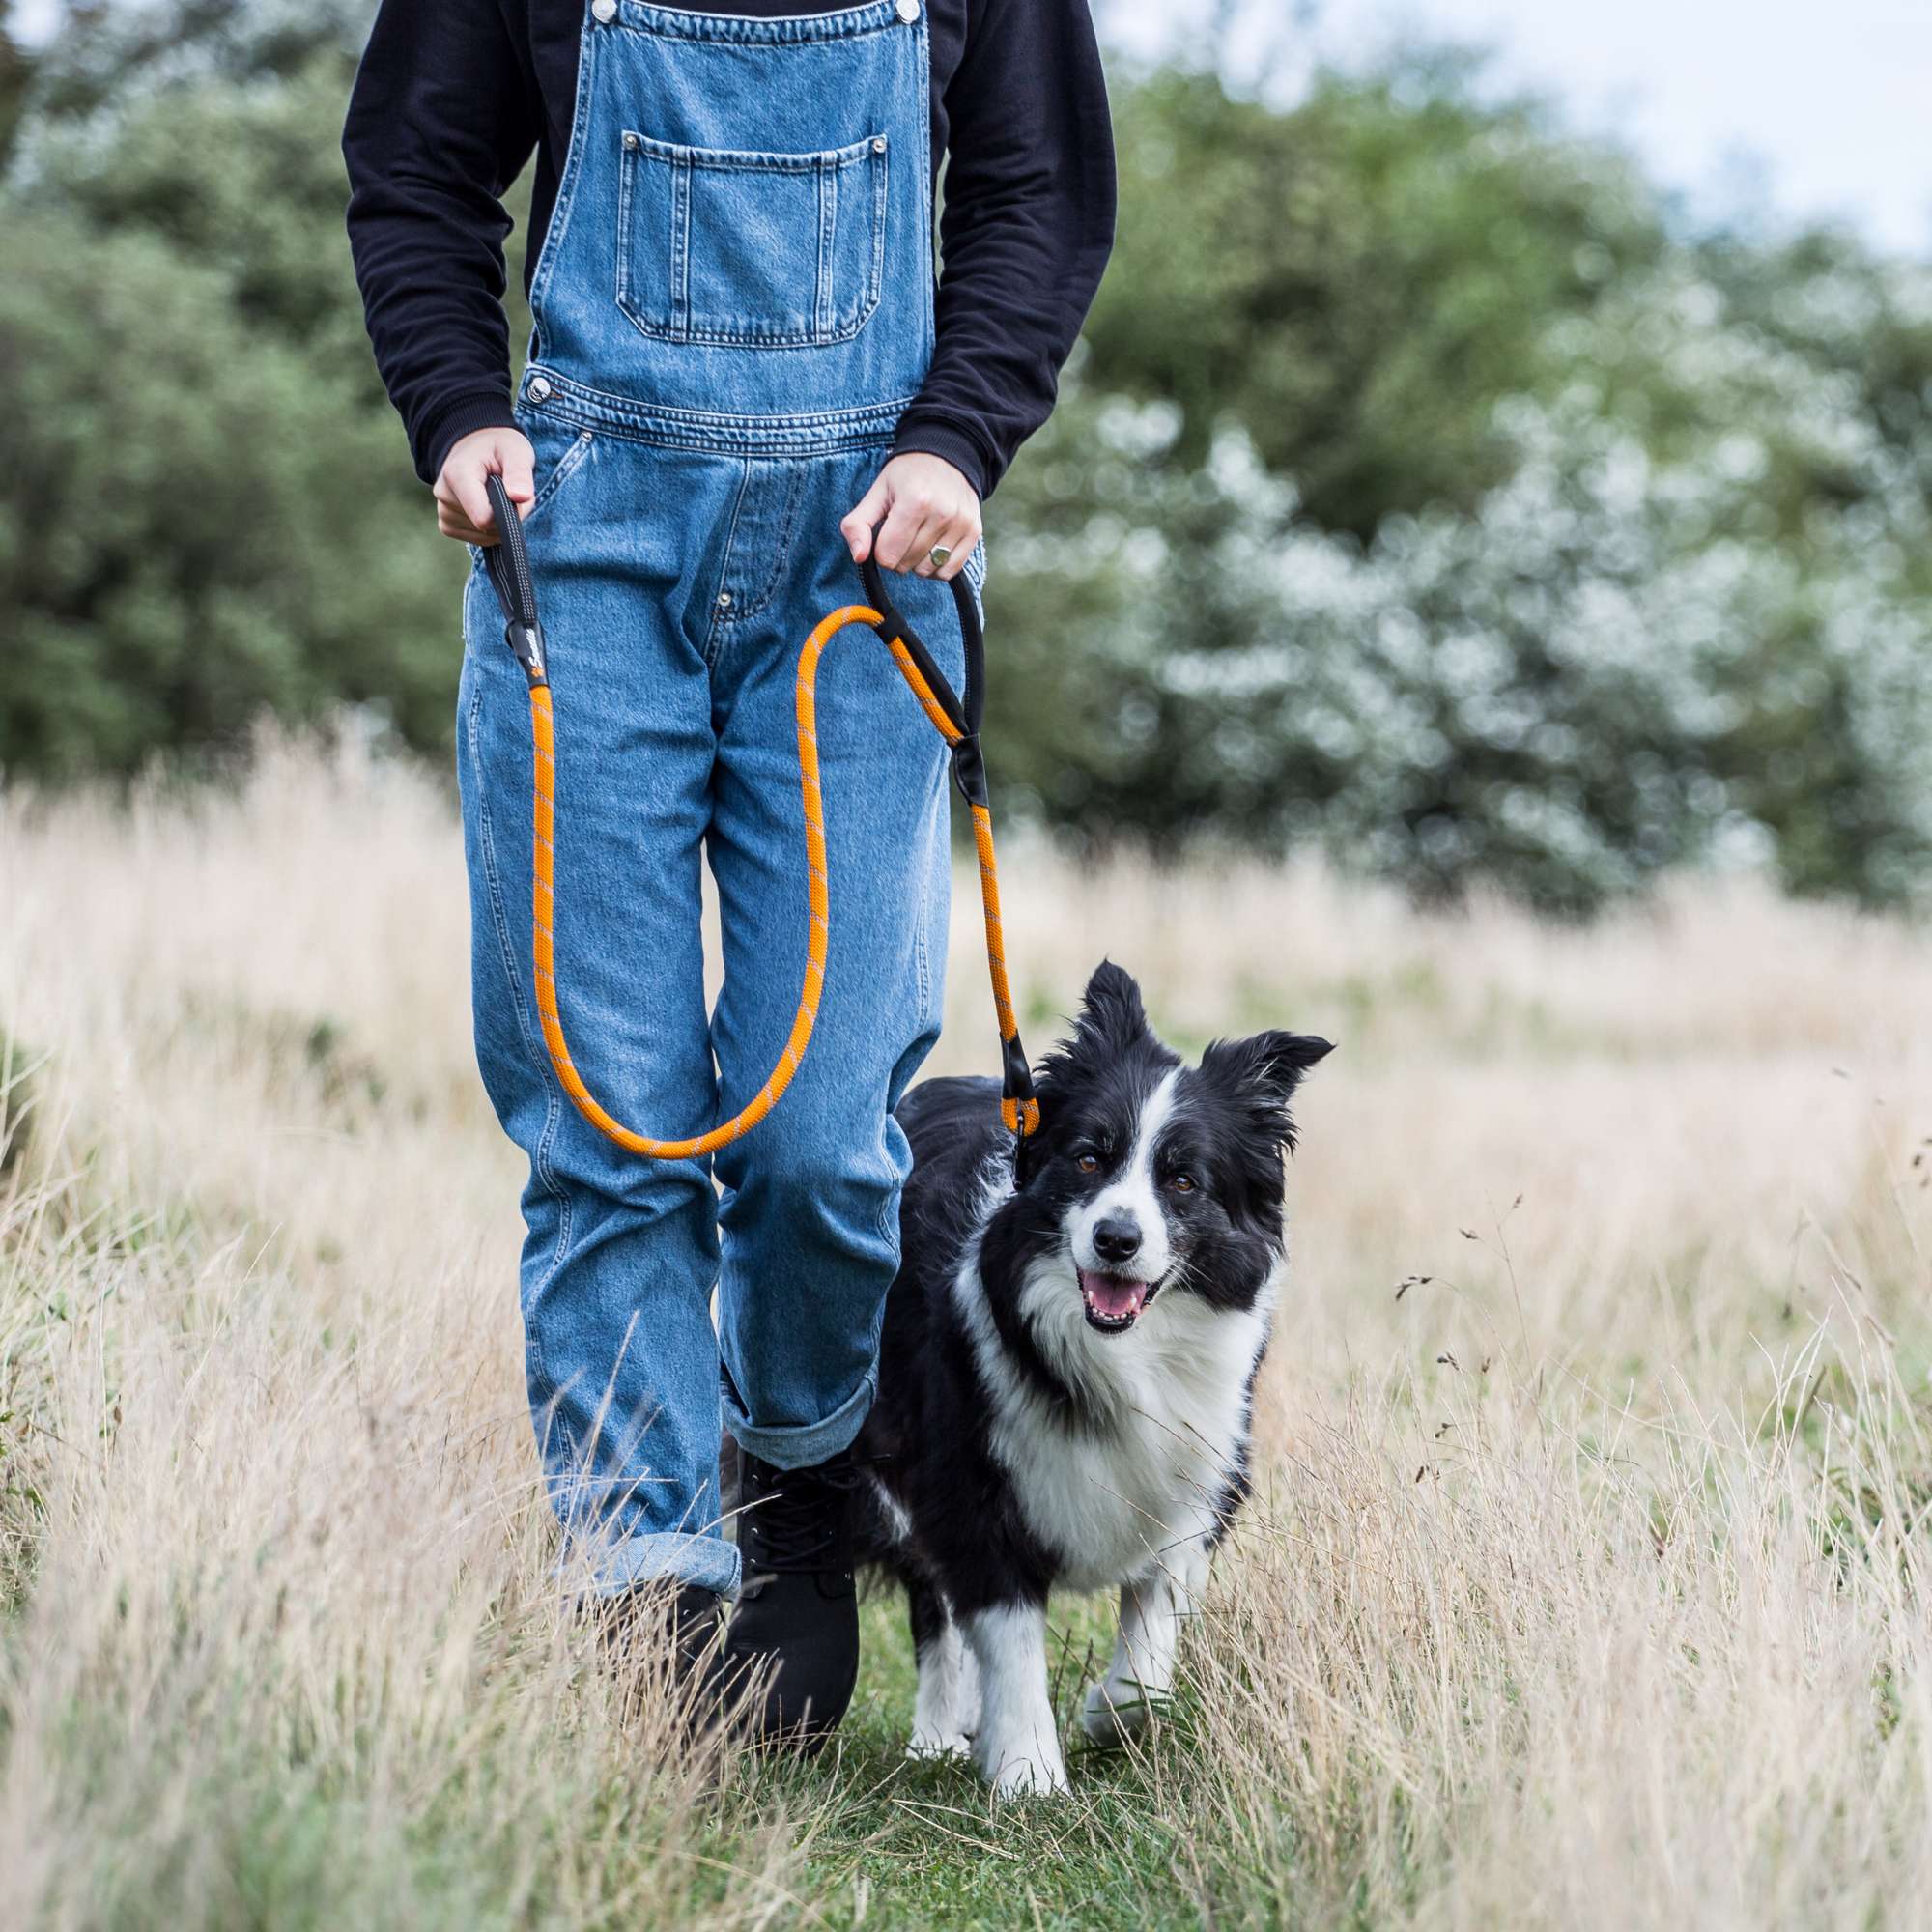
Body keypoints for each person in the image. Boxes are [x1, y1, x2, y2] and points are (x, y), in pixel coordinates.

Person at [342, 0, 1113, 1745]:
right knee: (603, 1110)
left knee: (821, 1131)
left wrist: (955, 438)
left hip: (866, 559)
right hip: (582, 545)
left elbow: (1038, 193)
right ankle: (651, 1580)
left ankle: (791, 1471)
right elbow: (413, 170)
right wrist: (457, 411)